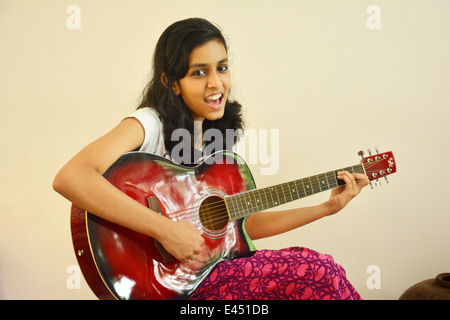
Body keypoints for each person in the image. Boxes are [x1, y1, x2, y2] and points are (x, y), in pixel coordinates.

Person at [53, 18, 370, 300]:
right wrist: (165, 230)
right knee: (320, 272)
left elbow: (240, 227)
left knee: (328, 272)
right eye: (199, 72)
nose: (216, 83)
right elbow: (72, 177)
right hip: (172, 284)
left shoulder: (216, 142)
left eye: (222, 67)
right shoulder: (151, 122)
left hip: (215, 273)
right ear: (171, 83)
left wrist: (326, 208)